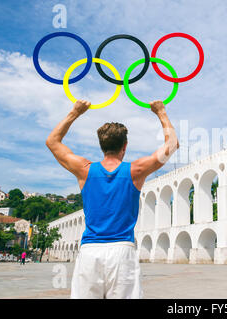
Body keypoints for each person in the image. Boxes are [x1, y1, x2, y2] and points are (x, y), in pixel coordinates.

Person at [46, 99, 178, 299]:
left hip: (90, 251)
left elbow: (52, 142)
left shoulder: (85, 170)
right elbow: (172, 144)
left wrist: (75, 112)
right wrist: (161, 112)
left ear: (101, 145)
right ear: (124, 146)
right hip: (122, 251)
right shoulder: (136, 170)